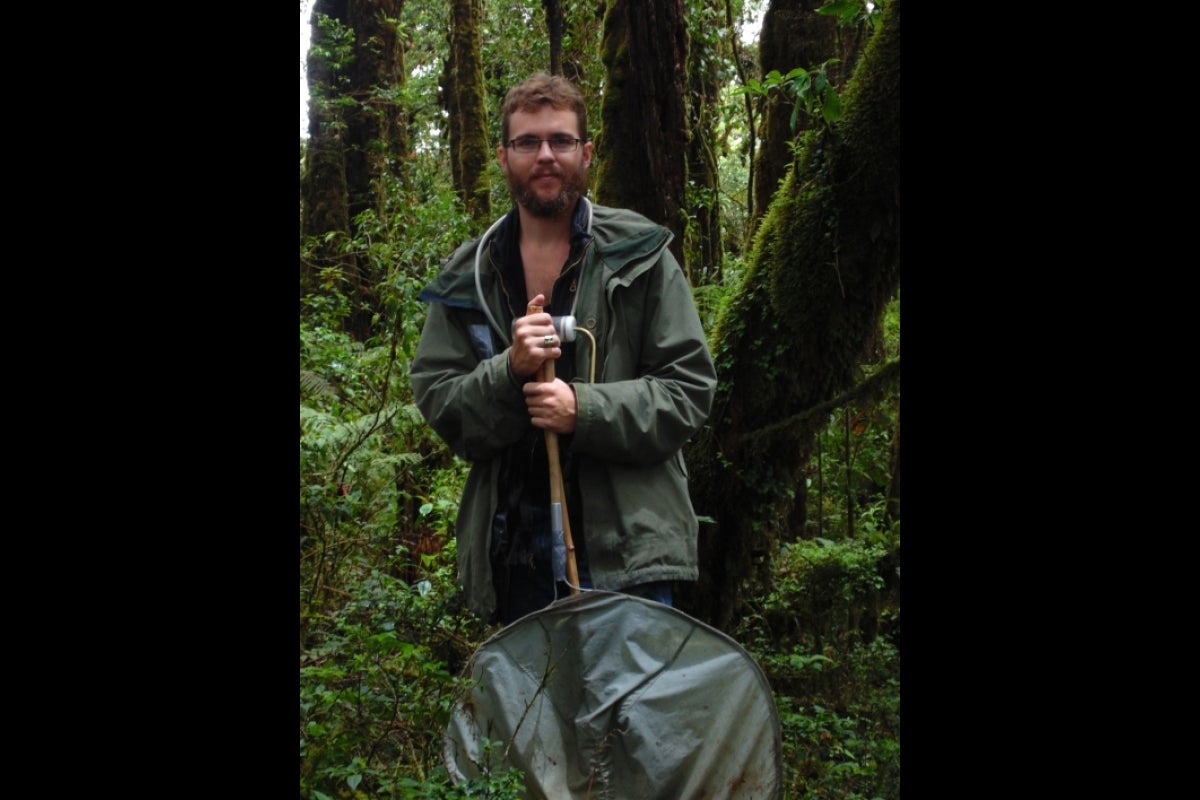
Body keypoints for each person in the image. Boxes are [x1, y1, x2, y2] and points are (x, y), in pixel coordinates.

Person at [409, 72, 716, 625]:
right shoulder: (467, 274)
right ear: (503, 156)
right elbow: (443, 405)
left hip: (628, 558)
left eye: (561, 141)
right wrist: (510, 371)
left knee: (630, 713)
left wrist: (583, 410)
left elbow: (688, 390)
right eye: (527, 142)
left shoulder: (639, 254)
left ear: (587, 152)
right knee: (533, 712)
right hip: (514, 559)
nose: (545, 155)